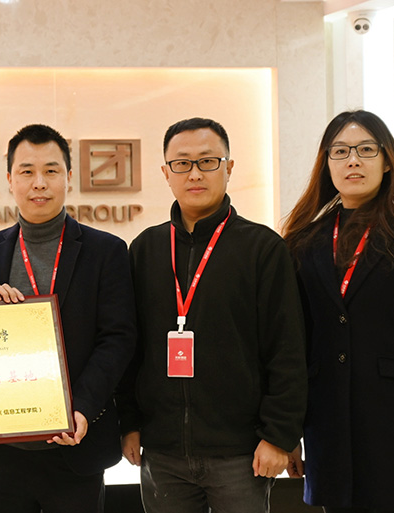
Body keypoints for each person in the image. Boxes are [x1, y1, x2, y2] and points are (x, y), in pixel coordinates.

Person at [116, 117, 306, 513]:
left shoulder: (262, 248)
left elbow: (287, 349)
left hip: (242, 453)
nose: (195, 173)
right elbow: (130, 349)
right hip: (163, 453)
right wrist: (129, 423)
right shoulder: (145, 249)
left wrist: (278, 435)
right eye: (182, 163)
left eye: (207, 161)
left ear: (229, 167)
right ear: (166, 173)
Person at [0, 124, 136, 513]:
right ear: (10, 180)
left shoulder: (105, 251)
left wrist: (82, 407)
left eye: (51, 171)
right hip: (1, 450)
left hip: (75, 443)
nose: (39, 182)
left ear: (68, 177)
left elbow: (118, 339)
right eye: (27, 171)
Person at [281, 110, 394, 513]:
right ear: (326, 162)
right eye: (341, 151)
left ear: (387, 161)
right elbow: (292, 344)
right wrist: (288, 432)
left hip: (391, 419)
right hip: (327, 426)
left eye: (366, 150)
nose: (353, 161)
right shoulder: (303, 241)